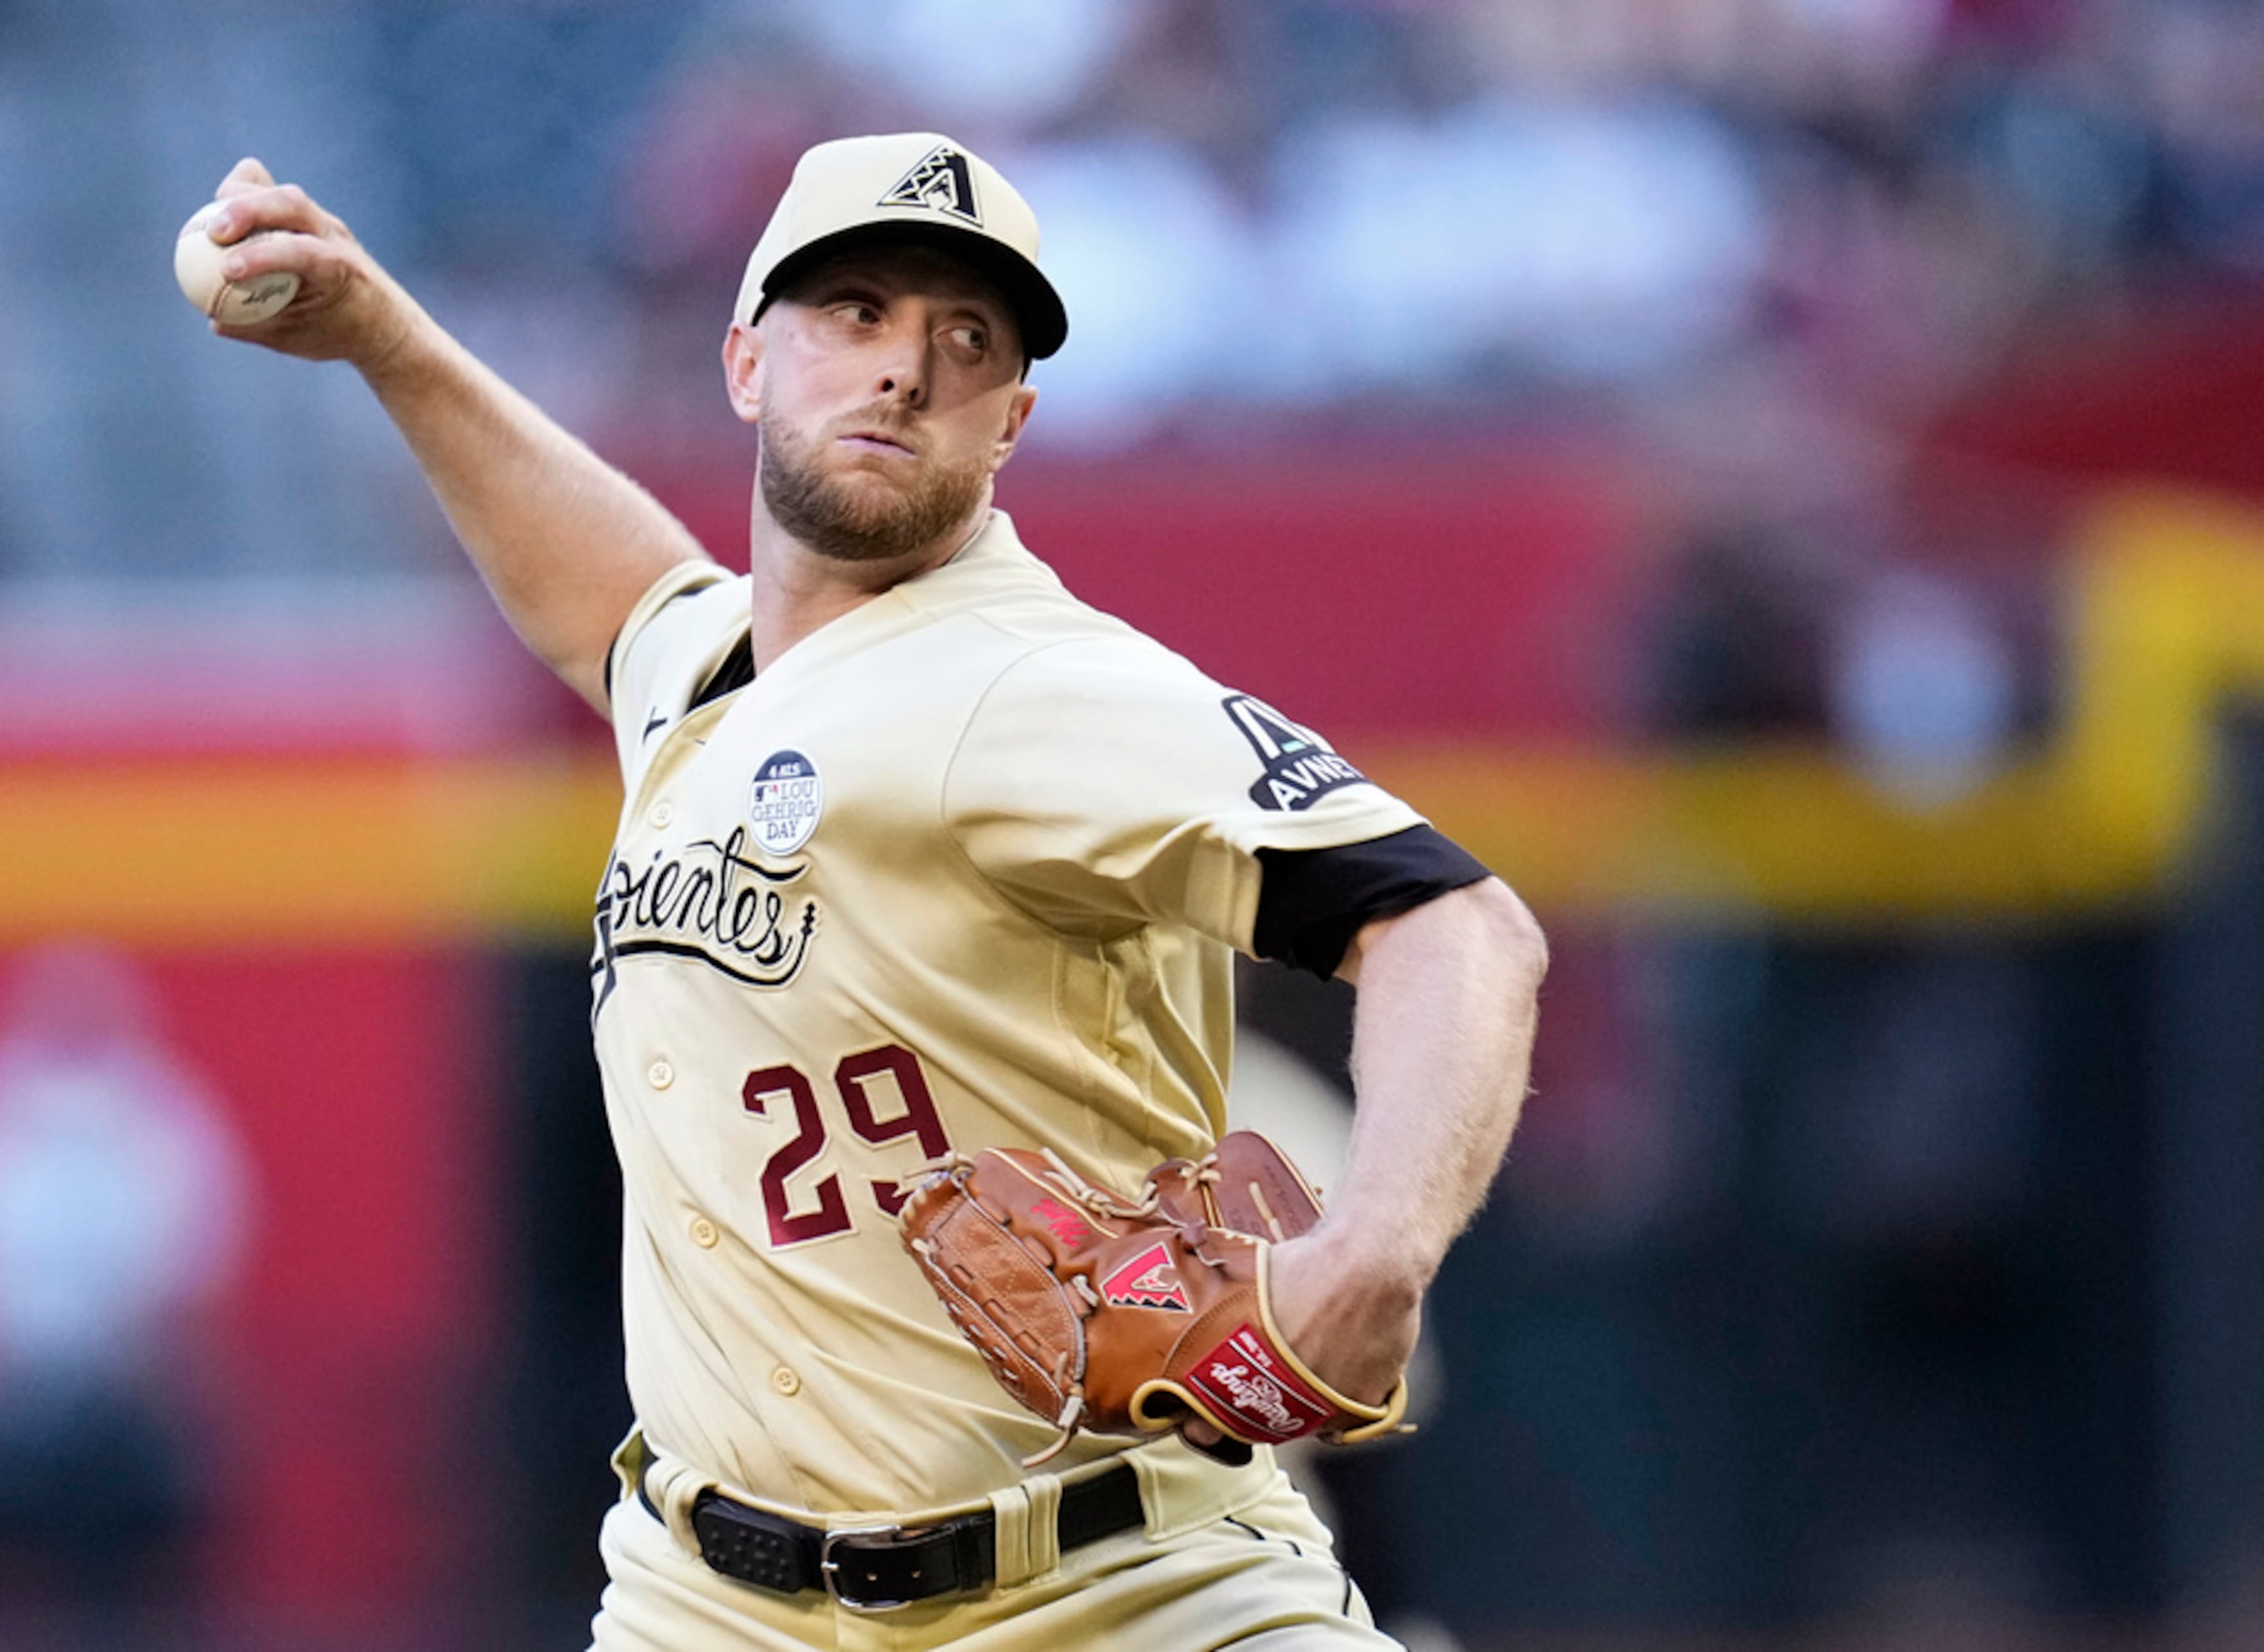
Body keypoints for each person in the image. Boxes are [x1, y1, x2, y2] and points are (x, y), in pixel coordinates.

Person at [191, 132, 1546, 1649]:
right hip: (709, 1602)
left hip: (1116, 1591)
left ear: (1013, 421)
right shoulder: (705, 678)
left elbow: (1457, 923)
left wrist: (1380, 1246)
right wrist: (384, 336)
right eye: (853, 312)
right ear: (746, 361)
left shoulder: (1046, 686)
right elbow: (616, 601)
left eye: (967, 339)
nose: (904, 368)